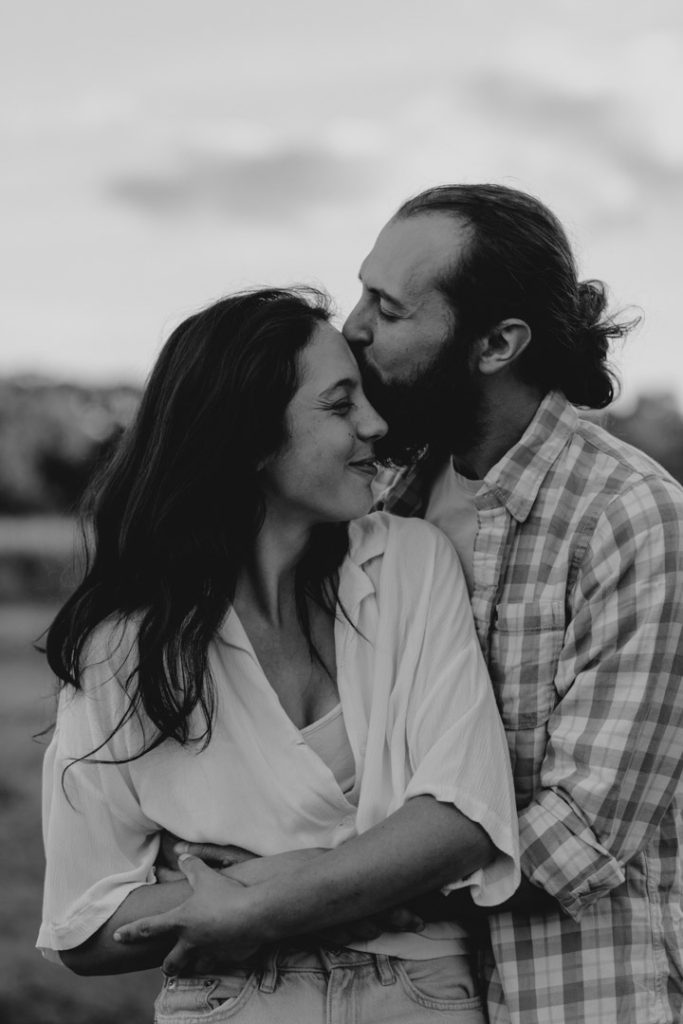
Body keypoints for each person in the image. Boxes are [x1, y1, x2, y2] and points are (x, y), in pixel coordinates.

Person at [38, 287, 519, 1023]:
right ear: (250, 438)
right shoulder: (121, 646)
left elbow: (462, 821)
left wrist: (265, 898)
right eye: (339, 404)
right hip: (232, 1000)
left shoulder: (408, 565)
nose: (375, 423)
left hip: (421, 992)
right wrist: (339, 877)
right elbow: (83, 924)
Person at [341, 183, 683, 1024]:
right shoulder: (384, 504)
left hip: (580, 994)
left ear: (496, 342)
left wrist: (311, 887)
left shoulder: (630, 516)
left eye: (386, 308)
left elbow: (584, 833)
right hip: (407, 995)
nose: (352, 328)